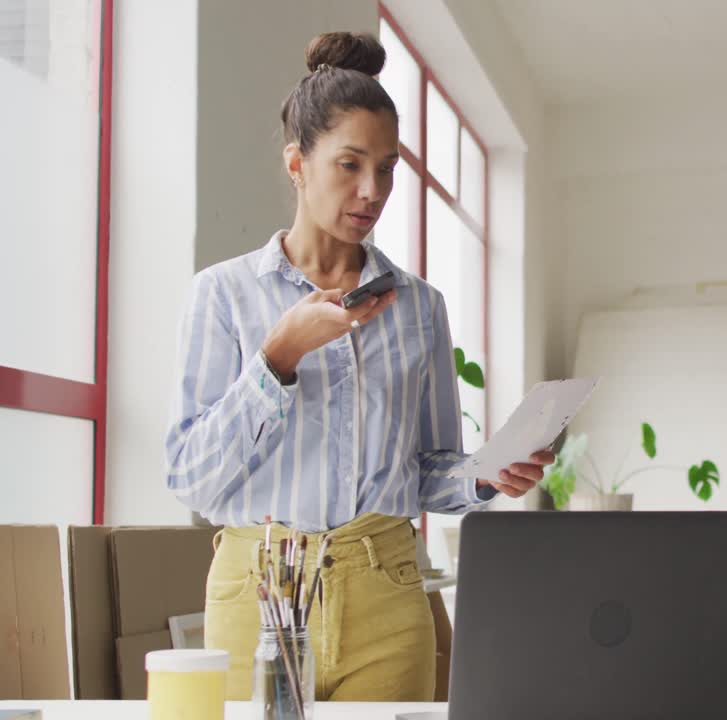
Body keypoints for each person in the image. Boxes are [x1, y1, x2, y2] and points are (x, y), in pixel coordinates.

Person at [163, 31, 552, 701]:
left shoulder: (419, 307)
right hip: (259, 593)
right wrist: (277, 357)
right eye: (349, 164)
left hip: (387, 597)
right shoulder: (223, 295)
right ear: (297, 164)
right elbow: (191, 477)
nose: (372, 190)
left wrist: (487, 475)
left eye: (388, 167)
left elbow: (429, 471)